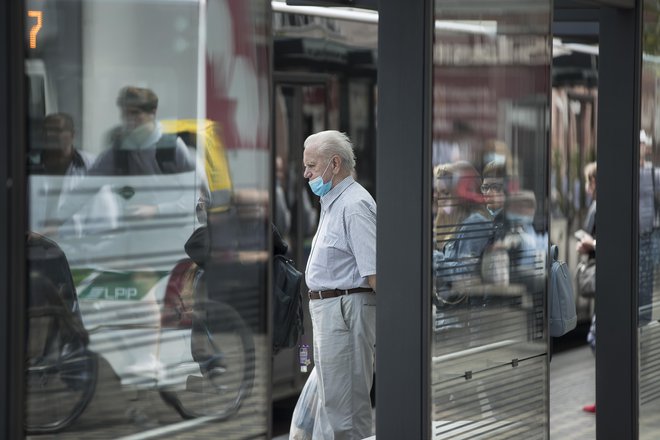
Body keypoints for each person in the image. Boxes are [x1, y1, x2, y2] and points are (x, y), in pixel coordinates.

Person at [289, 130, 376, 440]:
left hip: (344, 311)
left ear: (335, 164)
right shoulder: (333, 201)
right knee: (331, 409)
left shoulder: (354, 205)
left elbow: (375, 273)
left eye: (312, 166)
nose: (306, 174)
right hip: (332, 312)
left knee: (346, 416)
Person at [29, 113, 94, 237]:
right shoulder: (29, 164)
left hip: (74, 244)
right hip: (32, 242)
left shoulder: (89, 165)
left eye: (56, 130)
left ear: (72, 135)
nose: (50, 135)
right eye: (46, 131)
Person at [577, 161, 597, 414]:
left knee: (596, 337)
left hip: (604, 275)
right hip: (601, 274)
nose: (586, 187)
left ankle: (610, 391)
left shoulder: (601, 206)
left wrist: (591, 244)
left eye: (588, 181)